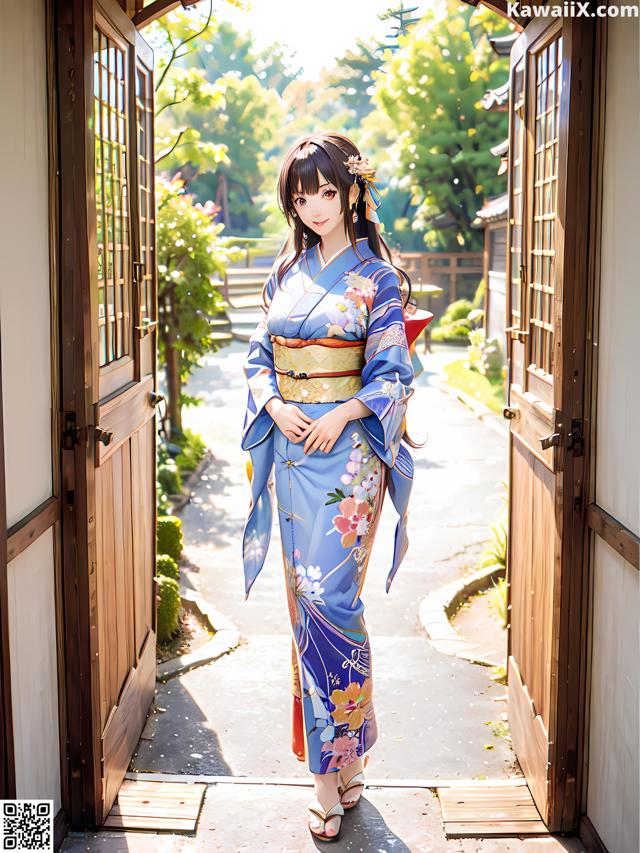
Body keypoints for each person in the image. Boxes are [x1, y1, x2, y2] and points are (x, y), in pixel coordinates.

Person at [240, 132, 426, 841]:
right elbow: (260, 354)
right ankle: (342, 764)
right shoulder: (285, 271)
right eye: (300, 194)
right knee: (305, 607)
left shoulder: (376, 278)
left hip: (348, 456)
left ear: (352, 190)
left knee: (331, 601)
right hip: (291, 450)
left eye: (325, 191)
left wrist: (345, 411)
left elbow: (393, 375)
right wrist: (275, 402)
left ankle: (328, 773)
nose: (314, 206)